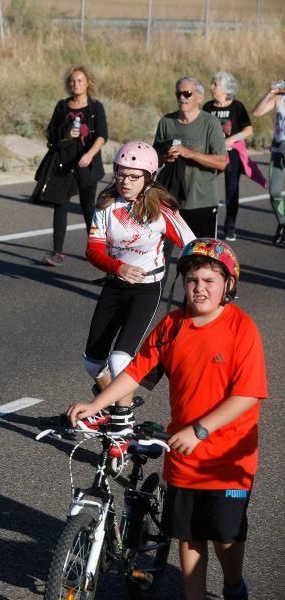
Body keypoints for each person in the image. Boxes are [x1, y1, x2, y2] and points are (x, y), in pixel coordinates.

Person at [68, 239, 267, 600]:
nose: (200, 288)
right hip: (184, 450)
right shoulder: (172, 326)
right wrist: (97, 403)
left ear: (228, 286)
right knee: (190, 535)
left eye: (209, 280)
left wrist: (201, 429)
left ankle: (234, 585)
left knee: (225, 536)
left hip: (229, 455)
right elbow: (134, 373)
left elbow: (247, 395)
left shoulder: (242, 329)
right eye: (192, 280)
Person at [80, 141, 194, 437]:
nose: (125, 182)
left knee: (120, 358)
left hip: (146, 289)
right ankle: (112, 408)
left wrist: (197, 280)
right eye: (121, 174)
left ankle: (123, 422)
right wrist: (118, 268)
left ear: (148, 178)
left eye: (134, 176)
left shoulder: (161, 210)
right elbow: (92, 251)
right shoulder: (107, 205)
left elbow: (193, 246)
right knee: (92, 362)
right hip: (116, 283)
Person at [41, 66, 108, 267]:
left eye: (80, 80)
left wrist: (89, 154)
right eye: (72, 81)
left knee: (88, 208)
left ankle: (96, 252)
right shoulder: (62, 106)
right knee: (59, 205)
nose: (76, 84)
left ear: (88, 83)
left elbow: (102, 135)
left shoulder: (95, 108)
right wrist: (65, 134)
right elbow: (50, 132)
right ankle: (58, 252)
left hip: (87, 163)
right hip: (64, 163)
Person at [154, 77, 228, 238]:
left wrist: (189, 153)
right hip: (170, 200)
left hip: (202, 202)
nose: (182, 97)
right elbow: (153, 160)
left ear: (199, 98)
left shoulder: (210, 123)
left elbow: (222, 163)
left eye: (187, 93)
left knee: (202, 257)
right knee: (160, 255)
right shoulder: (166, 122)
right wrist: (165, 157)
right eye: (178, 94)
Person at [203, 72, 255, 241]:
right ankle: (206, 219)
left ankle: (230, 226)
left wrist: (232, 139)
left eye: (215, 84)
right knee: (204, 185)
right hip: (212, 154)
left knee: (232, 189)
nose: (212, 87)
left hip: (232, 155)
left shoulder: (237, 107)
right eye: (212, 84)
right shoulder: (208, 107)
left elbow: (248, 130)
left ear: (226, 88)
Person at [251, 78, 285, 246]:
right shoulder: (279, 98)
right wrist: (270, 93)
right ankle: (283, 222)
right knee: (274, 191)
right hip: (279, 151)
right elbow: (257, 112)